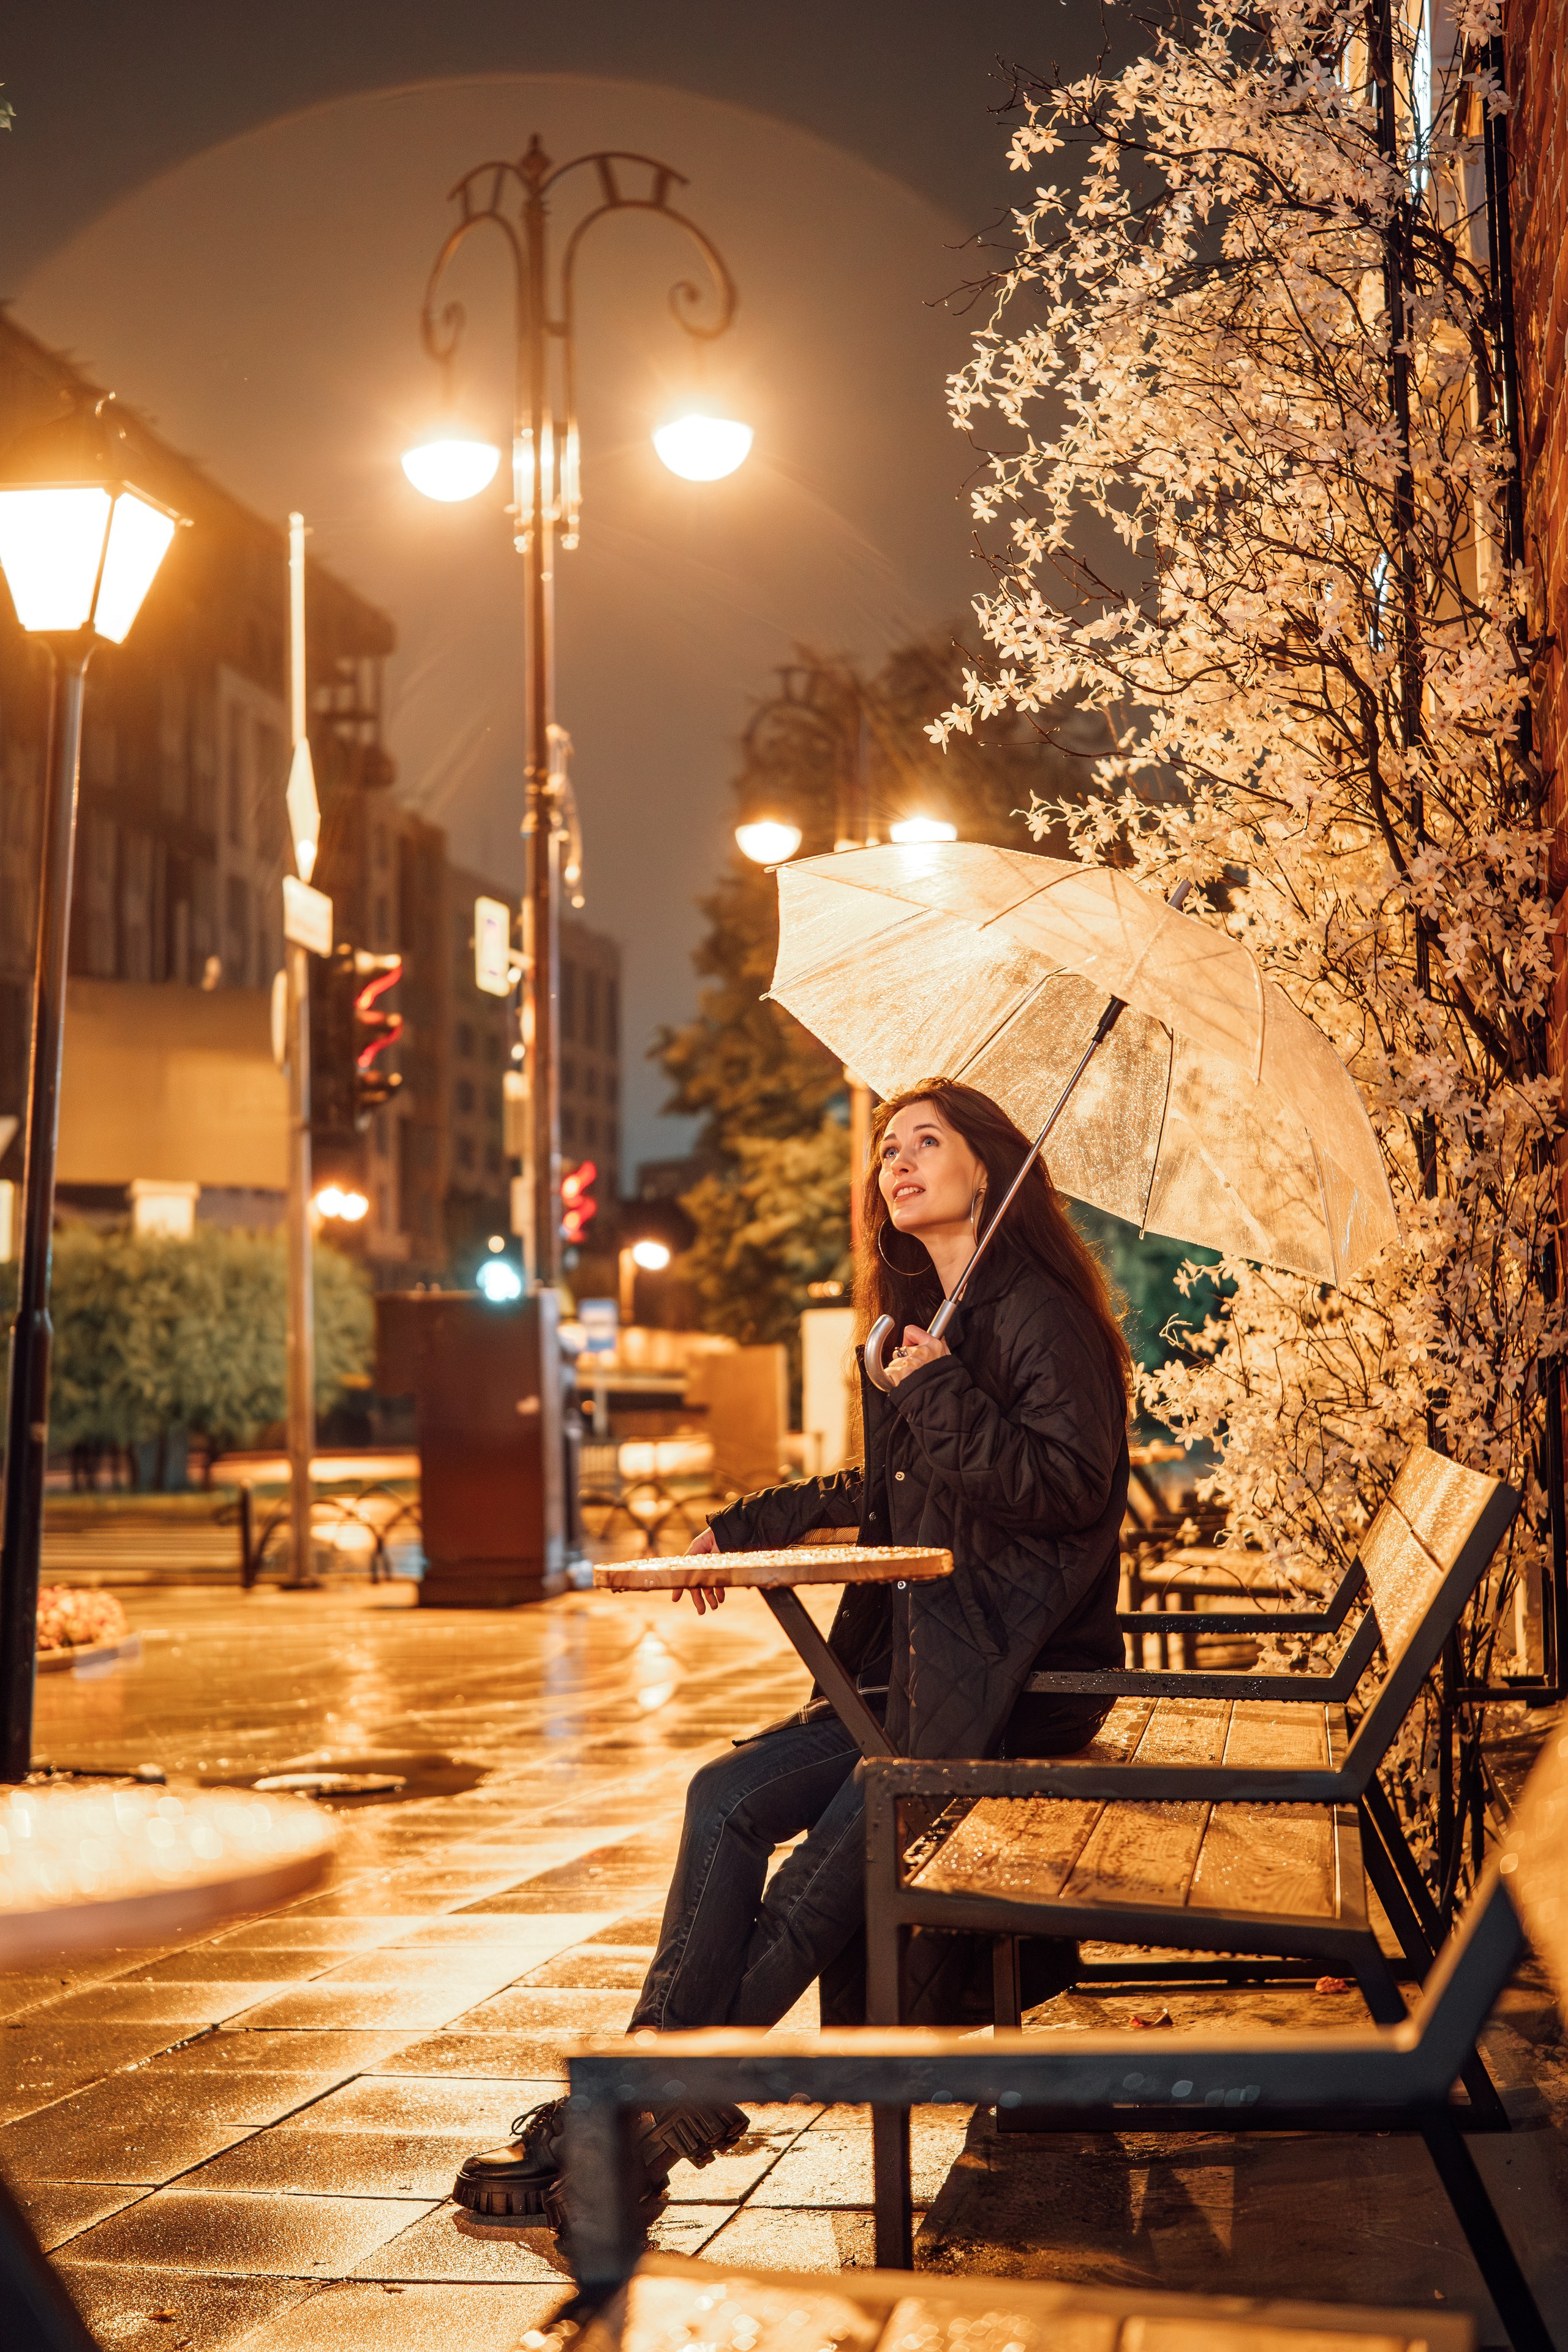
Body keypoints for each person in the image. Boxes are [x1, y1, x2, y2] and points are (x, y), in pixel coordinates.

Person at [453, 1076, 1133, 2223]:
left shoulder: (1032, 1313)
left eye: (928, 1142)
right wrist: (757, 1520)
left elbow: (1068, 1494)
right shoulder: (933, 1310)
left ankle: (630, 2137)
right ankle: (626, 2104)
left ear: (989, 1168)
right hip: (932, 1664)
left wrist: (939, 1387)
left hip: (1015, 1683)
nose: (898, 1164)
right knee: (724, 1794)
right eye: (886, 1150)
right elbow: (895, 1491)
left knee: (834, 1858)